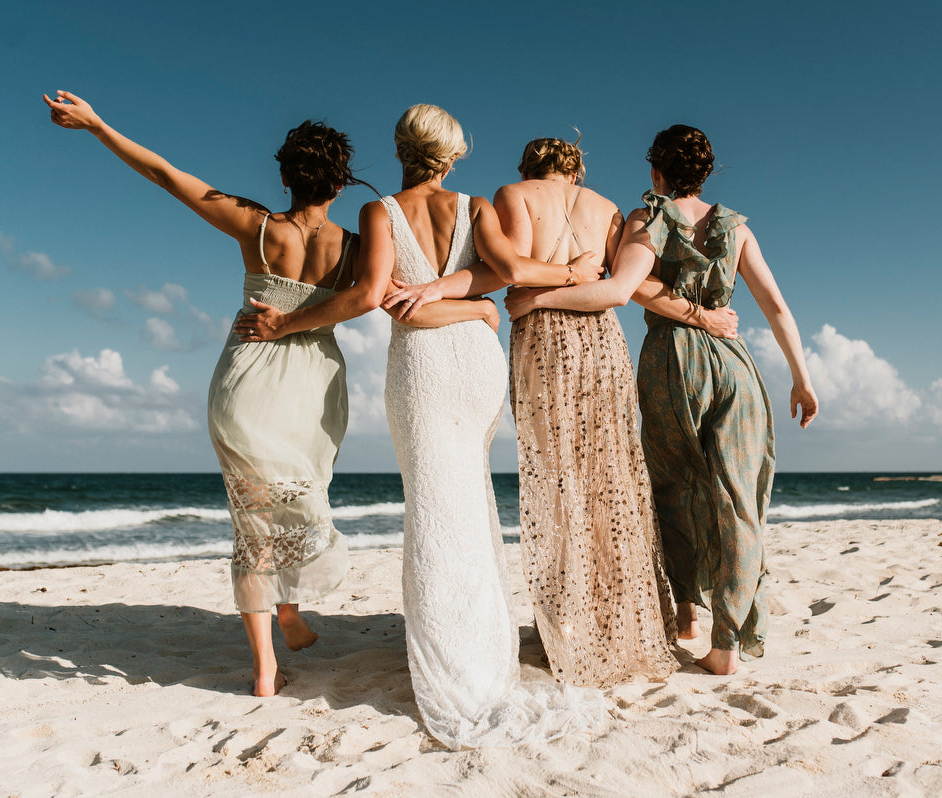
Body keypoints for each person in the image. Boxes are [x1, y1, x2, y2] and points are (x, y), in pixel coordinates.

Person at [43, 90, 370, 696]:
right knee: (299, 499)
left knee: (253, 519)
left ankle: (271, 655)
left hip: (246, 380)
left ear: (284, 175)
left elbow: (166, 174)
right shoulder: (354, 247)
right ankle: (285, 623)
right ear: (341, 183)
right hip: (312, 386)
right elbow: (387, 293)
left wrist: (96, 124)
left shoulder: (258, 224)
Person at [504, 125, 818, 675]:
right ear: (706, 172)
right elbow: (777, 308)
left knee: (670, 489)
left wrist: (539, 297)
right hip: (734, 364)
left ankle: (686, 612)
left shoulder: (645, 220)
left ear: (656, 173)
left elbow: (622, 290)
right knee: (738, 500)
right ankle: (726, 644)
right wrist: (801, 377)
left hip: (671, 364)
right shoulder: (737, 229)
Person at [357, 105, 608, 749]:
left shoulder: (378, 212)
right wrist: (479, 309)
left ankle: (457, 661)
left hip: (425, 366)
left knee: (435, 506)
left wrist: (450, 301)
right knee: (464, 498)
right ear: (456, 152)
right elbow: (507, 274)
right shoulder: (475, 207)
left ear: (399, 148)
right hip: (474, 363)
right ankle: (478, 644)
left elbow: (391, 302)